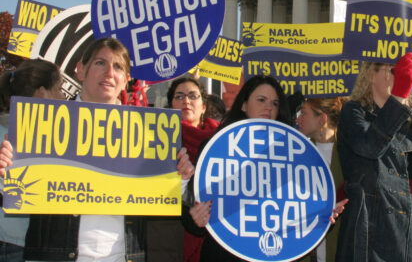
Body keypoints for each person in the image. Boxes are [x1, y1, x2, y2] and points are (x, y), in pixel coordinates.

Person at [0, 37, 195, 261]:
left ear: (127, 80)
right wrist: (7, 173)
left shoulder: (151, 135)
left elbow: (171, 199)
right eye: (100, 63)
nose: (110, 73)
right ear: (81, 70)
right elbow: (17, 193)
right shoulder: (44, 124)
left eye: (118, 67)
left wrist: (181, 178)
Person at [185, 75, 347, 262]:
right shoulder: (217, 149)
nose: (269, 107)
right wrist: (195, 218)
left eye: (275, 103)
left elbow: (296, 223)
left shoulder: (294, 154)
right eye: (261, 100)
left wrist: (321, 217)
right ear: (244, 105)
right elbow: (192, 213)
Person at [336, 53, 412, 262]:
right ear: (371, 74)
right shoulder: (353, 112)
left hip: (405, 237)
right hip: (370, 237)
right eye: (393, 70)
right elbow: (369, 146)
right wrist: (399, 95)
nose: (400, 76)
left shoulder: (404, 120)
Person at [0, 59, 64, 261]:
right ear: (42, 93)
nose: (63, 97)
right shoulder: (44, 141)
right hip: (16, 242)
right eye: (59, 89)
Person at [165, 76, 219, 262]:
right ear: (171, 105)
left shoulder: (223, 139)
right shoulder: (159, 139)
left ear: (203, 106)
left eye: (192, 96)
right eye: (179, 96)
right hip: (169, 232)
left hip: (219, 234)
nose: (186, 101)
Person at [296, 97, 347, 262]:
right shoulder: (296, 153)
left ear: (322, 119)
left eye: (304, 113)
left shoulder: (349, 155)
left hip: (338, 247)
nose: (298, 119)